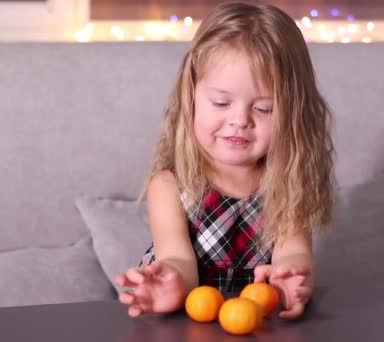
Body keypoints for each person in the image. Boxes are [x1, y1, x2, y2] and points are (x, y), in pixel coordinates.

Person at [114, 2, 334, 321]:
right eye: (221, 102)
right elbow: (178, 258)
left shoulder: (287, 182)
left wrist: (292, 280)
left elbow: (295, 252)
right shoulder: (171, 185)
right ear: (191, 96)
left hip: (257, 320)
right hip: (185, 321)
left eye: (264, 109)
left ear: (293, 114)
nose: (239, 120)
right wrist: (172, 282)